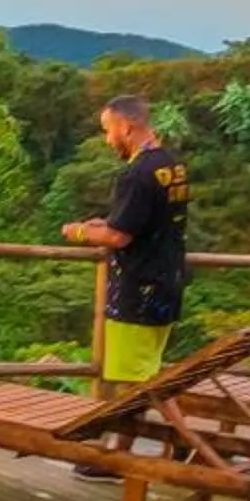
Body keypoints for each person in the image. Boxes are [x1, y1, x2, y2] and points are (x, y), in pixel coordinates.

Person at [61, 93, 190, 385]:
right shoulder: (173, 165)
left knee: (137, 384)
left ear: (125, 127)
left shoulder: (136, 174)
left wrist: (78, 231)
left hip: (138, 295)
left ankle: (174, 420)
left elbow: (118, 237)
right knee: (147, 378)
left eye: (108, 130)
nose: (108, 140)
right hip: (168, 285)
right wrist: (108, 222)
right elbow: (152, 218)